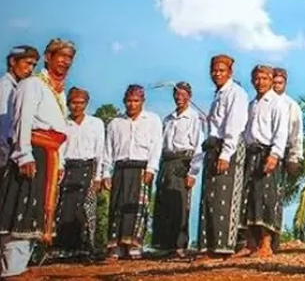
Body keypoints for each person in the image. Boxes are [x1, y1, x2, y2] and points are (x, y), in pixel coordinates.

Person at [0, 39, 74, 278]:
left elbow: (59, 130)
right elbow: (22, 120)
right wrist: (23, 154)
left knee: (36, 217)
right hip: (33, 154)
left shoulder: (57, 92)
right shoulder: (32, 85)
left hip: (48, 156)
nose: (65, 61)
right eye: (60, 55)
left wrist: (60, 162)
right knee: (20, 215)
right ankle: (11, 271)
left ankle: (16, 268)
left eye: (69, 57)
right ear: (48, 57)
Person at [196, 54, 249, 260]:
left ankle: (224, 247)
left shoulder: (236, 93)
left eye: (221, 70)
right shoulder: (217, 95)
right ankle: (208, 247)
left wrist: (226, 153)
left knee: (224, 197)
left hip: (228, 149)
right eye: (214, 70)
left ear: (230, 72)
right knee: (209, 197)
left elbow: (234, 126)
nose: (217, 74)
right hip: (213, 147)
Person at [234, 66, 290, 258]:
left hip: (268, 153)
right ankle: (249, 243)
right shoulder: (252, 104)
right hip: (251, 153)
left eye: (264, 79)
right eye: (257, 79)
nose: (260, 82)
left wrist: (274, 155)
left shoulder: (277, 103)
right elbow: (245, 130)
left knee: (266, 198)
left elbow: (281, 132)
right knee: (247, 197)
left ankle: (266, 244)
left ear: (271, 79)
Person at [101, 85, 163, 261]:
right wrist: (106, 172)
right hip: (120, 167)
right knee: (117, 206)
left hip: (141, 167)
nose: (132, 104)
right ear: (124, 101)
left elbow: (156, 146)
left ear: (143, 101)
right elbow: (108, 149)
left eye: (136, 101)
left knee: (137, 207)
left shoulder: (152, 120)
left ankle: (134, 245)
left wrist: (151, 168)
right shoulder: (115, 123)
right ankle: (116, 246)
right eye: (129, 100)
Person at [152, 82, 204, 258]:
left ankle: (179, 245)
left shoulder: (194, 118)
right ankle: (164, 244)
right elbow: (161, 143)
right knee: (164, 202)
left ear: (189, 96)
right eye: (176, 94)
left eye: (183, 95)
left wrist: (193, 172)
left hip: (183, 161)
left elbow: (198, 146)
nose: (179, 98)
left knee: (180, 204)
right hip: (167, 161)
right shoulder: (168, 119)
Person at [53, 87, 105, 260]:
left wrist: (98, 176)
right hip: (68, 168)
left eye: (81, 102)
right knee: (64, 207)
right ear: (68, 103)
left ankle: (86, 248)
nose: (77, 106)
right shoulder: (63, 123)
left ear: (86, 103)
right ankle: (64, 248)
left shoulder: (96, 123)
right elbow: (59, 149)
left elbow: (100, 151)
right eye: (73, 102)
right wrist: (59, 167)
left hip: (88, 167)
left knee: (86, 208)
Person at [270, 66, 303, 252]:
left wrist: (294, 157)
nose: (276, 86)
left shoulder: (291, 106)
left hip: (282, 155)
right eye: (273, 82)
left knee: (276, 197)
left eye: (279, 83)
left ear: (285, 83)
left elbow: (297, 135)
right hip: (261, 153)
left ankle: (274, 241)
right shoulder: (261, 103)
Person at [0, 46, 39, 179]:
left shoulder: (18, 87)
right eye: (27, 63)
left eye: (33, 65)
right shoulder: (6, 88)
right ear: (12, 61)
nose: (30, 69)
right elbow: (5, 128)